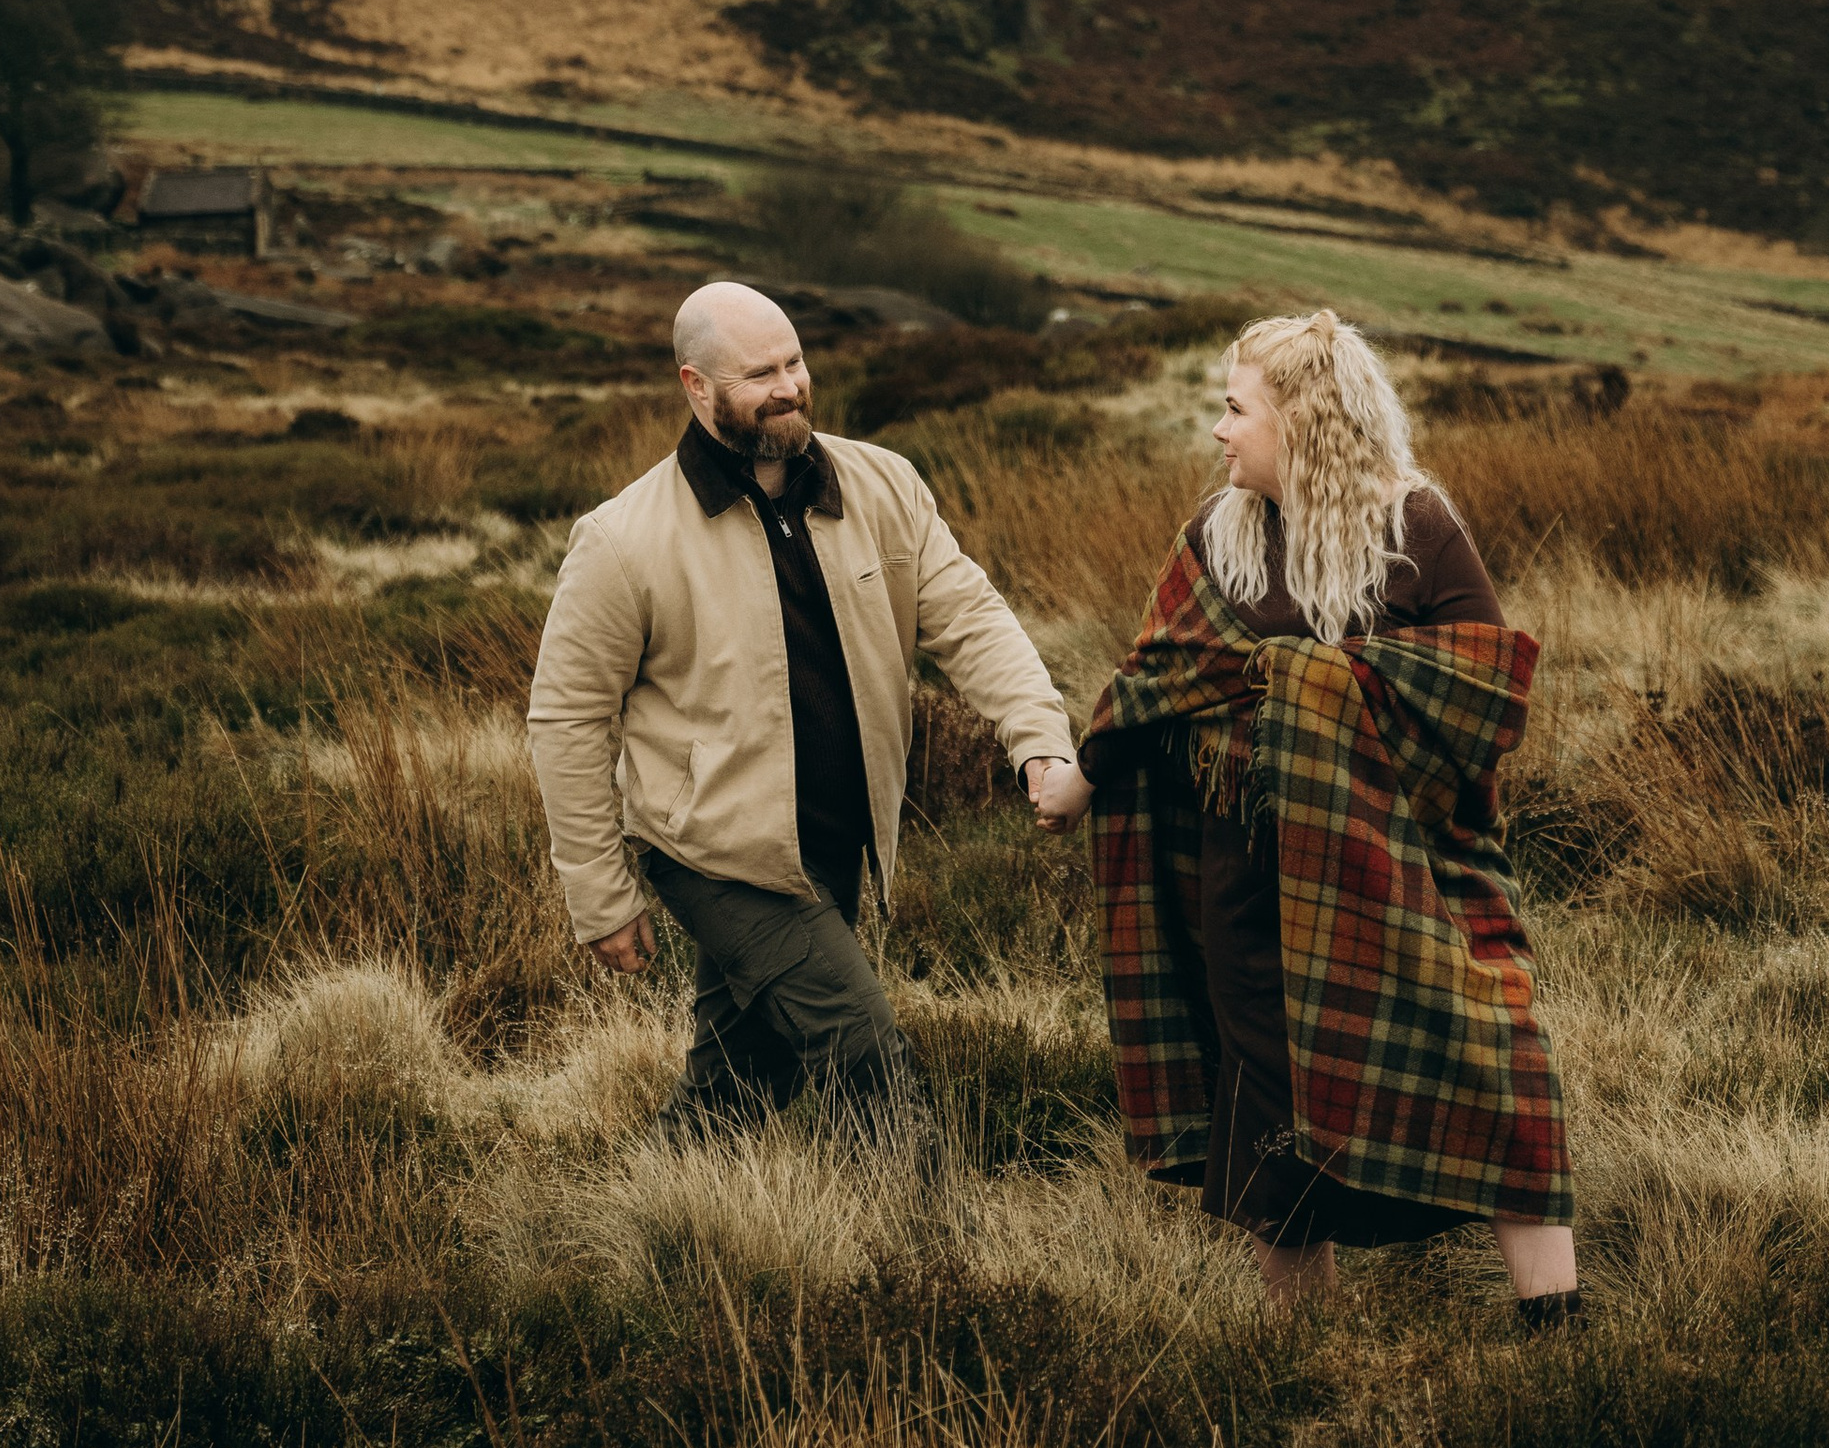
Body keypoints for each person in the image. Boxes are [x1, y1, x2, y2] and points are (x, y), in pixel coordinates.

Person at [1031, 310, 1579, 1322]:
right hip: (1248, 878)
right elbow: (1159, 674)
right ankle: (1304, 1346)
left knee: (1496, 1059)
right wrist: (1081, 773)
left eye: (1235, 410)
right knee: (1269, 1092)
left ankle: (1556, 1323)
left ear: (1303, 422)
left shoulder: (1417, 530)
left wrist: (1312, 689)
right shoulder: (1219, 538)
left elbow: (1483, 699)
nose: (1218, 431)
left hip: (1413, 865)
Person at [526, 277, 1078, 1139]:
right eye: (759, 374)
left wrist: (1039, 742)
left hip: (831, 835)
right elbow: (566, 720)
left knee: (746, 1071)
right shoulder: (623, 540)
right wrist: (601, 896)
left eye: (795, 362)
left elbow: (970, 620)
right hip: (713, 851)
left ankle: (666, 1205)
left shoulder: (884, 485)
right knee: (861, 1047)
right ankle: (927, 1245)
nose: (788, 386)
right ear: (695, 386)